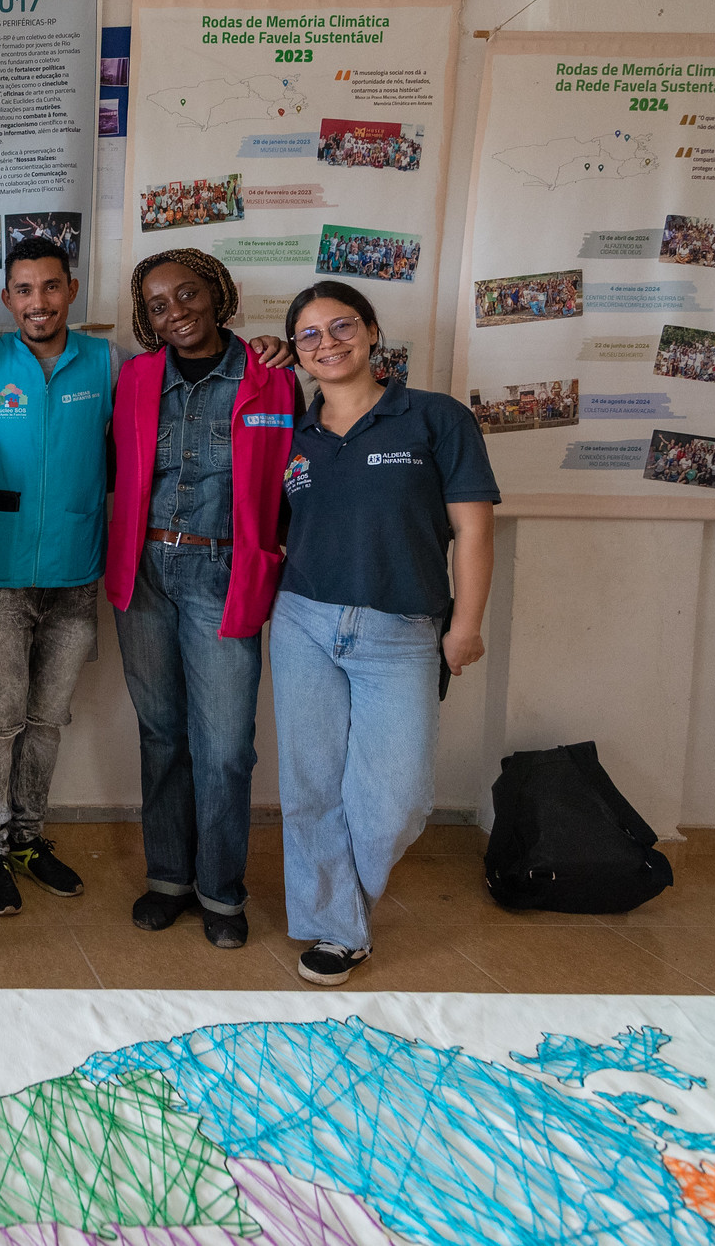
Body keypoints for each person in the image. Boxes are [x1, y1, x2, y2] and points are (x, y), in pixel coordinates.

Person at [272, 280, 498, 985]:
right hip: (303, 620)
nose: (327, 343)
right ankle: (335, 928)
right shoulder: (293, 432)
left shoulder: (435, 418)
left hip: (401, 628)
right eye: (309, 334)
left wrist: (466, 624)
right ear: (298, 352)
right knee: (309, 785)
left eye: (341, 327)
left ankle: (346, 888)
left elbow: (472, 529)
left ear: (372, 332)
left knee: (396, 798)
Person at [106, 250, 299, 949]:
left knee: (223, 749)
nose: (175, 311)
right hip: (144, 572)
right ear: (146, 321)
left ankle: (221, 888)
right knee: (162, 733)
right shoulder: (135, 380)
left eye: (187, 293)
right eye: (157, 305)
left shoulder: (271, 378)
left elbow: (294, 480)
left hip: (223, 573)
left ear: (219, 293)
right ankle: (168, 879)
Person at [0, 235, 110, 916]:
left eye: (49, 286)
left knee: (48, 718)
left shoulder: (108, 362)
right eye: (23, 289)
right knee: (1, 720)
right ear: (8, 297)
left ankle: (30, 839)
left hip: (75, 573)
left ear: (70, 290)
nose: (37, 301)